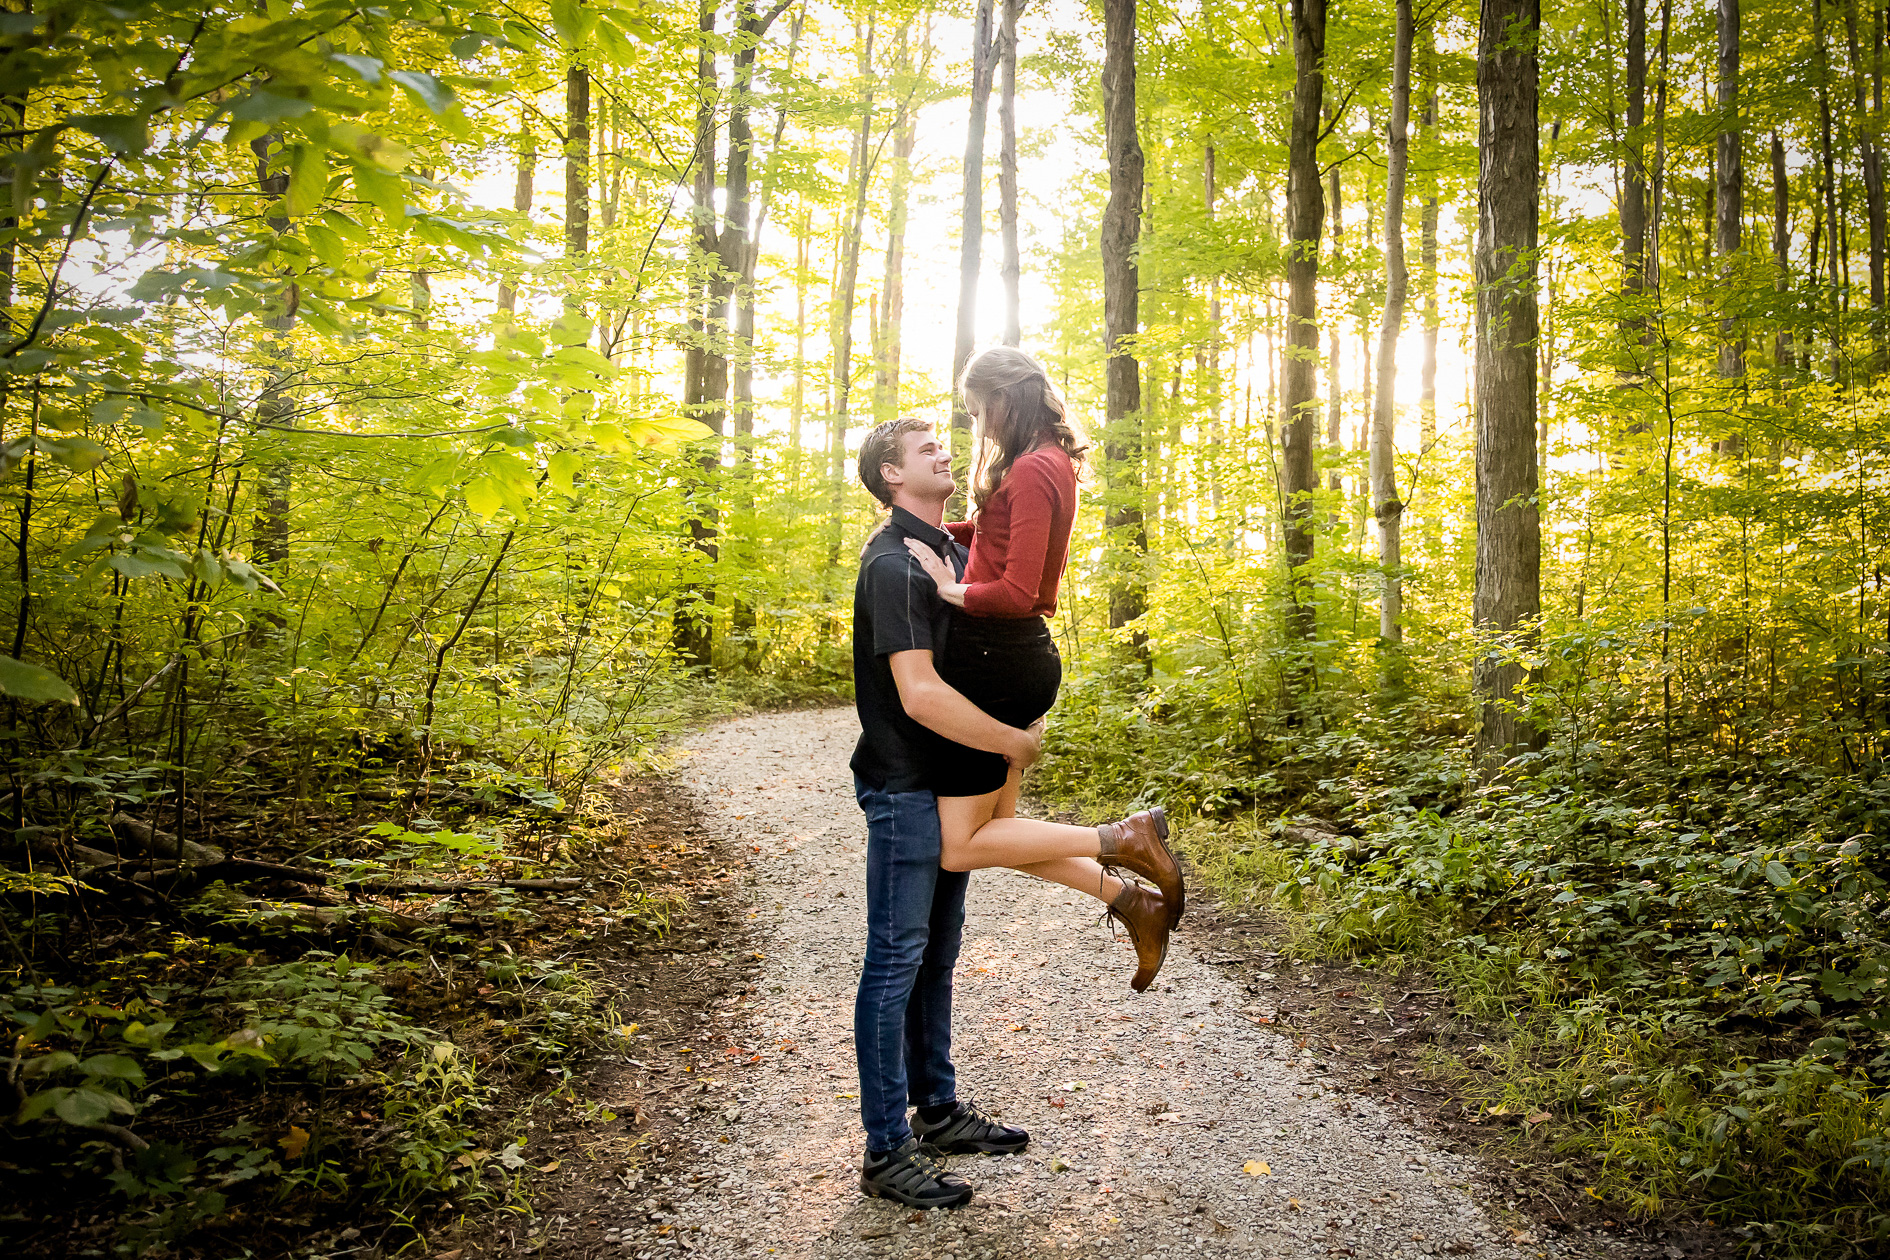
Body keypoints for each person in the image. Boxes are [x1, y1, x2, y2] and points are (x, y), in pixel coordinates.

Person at [902, 346, 1184, 991]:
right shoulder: (1049, 464)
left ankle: (1124, 837)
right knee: (1001, 833)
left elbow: (1021, 589)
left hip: (996, 657)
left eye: (979, 411)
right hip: (1016, 656)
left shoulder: (1030, 470)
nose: (980, 426)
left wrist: (953, 591)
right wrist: (945, 534)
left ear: (1004, 398)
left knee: (959, 844)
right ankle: (1126, 897)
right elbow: (998, 533)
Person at [849, 417, 1038, 1210]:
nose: (945, 454)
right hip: (904, 789)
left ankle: (938, 1112)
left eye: (944, 445)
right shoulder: (892, 565)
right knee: (895, 961)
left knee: (937, 955)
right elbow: (920, 693)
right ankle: (886, 1149)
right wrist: (1013, 744)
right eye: (927, 450)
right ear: (892, 475)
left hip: (953, 787)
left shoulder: (952, 552)